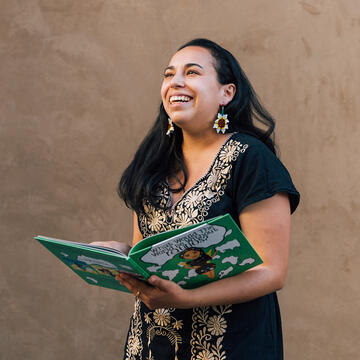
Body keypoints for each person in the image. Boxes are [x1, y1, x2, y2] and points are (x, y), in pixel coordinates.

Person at [91, 38, 300, 360]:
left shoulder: (251, 159)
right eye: (168, 74)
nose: (175, 82)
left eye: (192, 73)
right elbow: (147, 252)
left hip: (230, 344)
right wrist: (120, 254)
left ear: (226, 93)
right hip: (152, 341)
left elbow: (271, 272)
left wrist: (185, 299)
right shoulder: (153, 162)